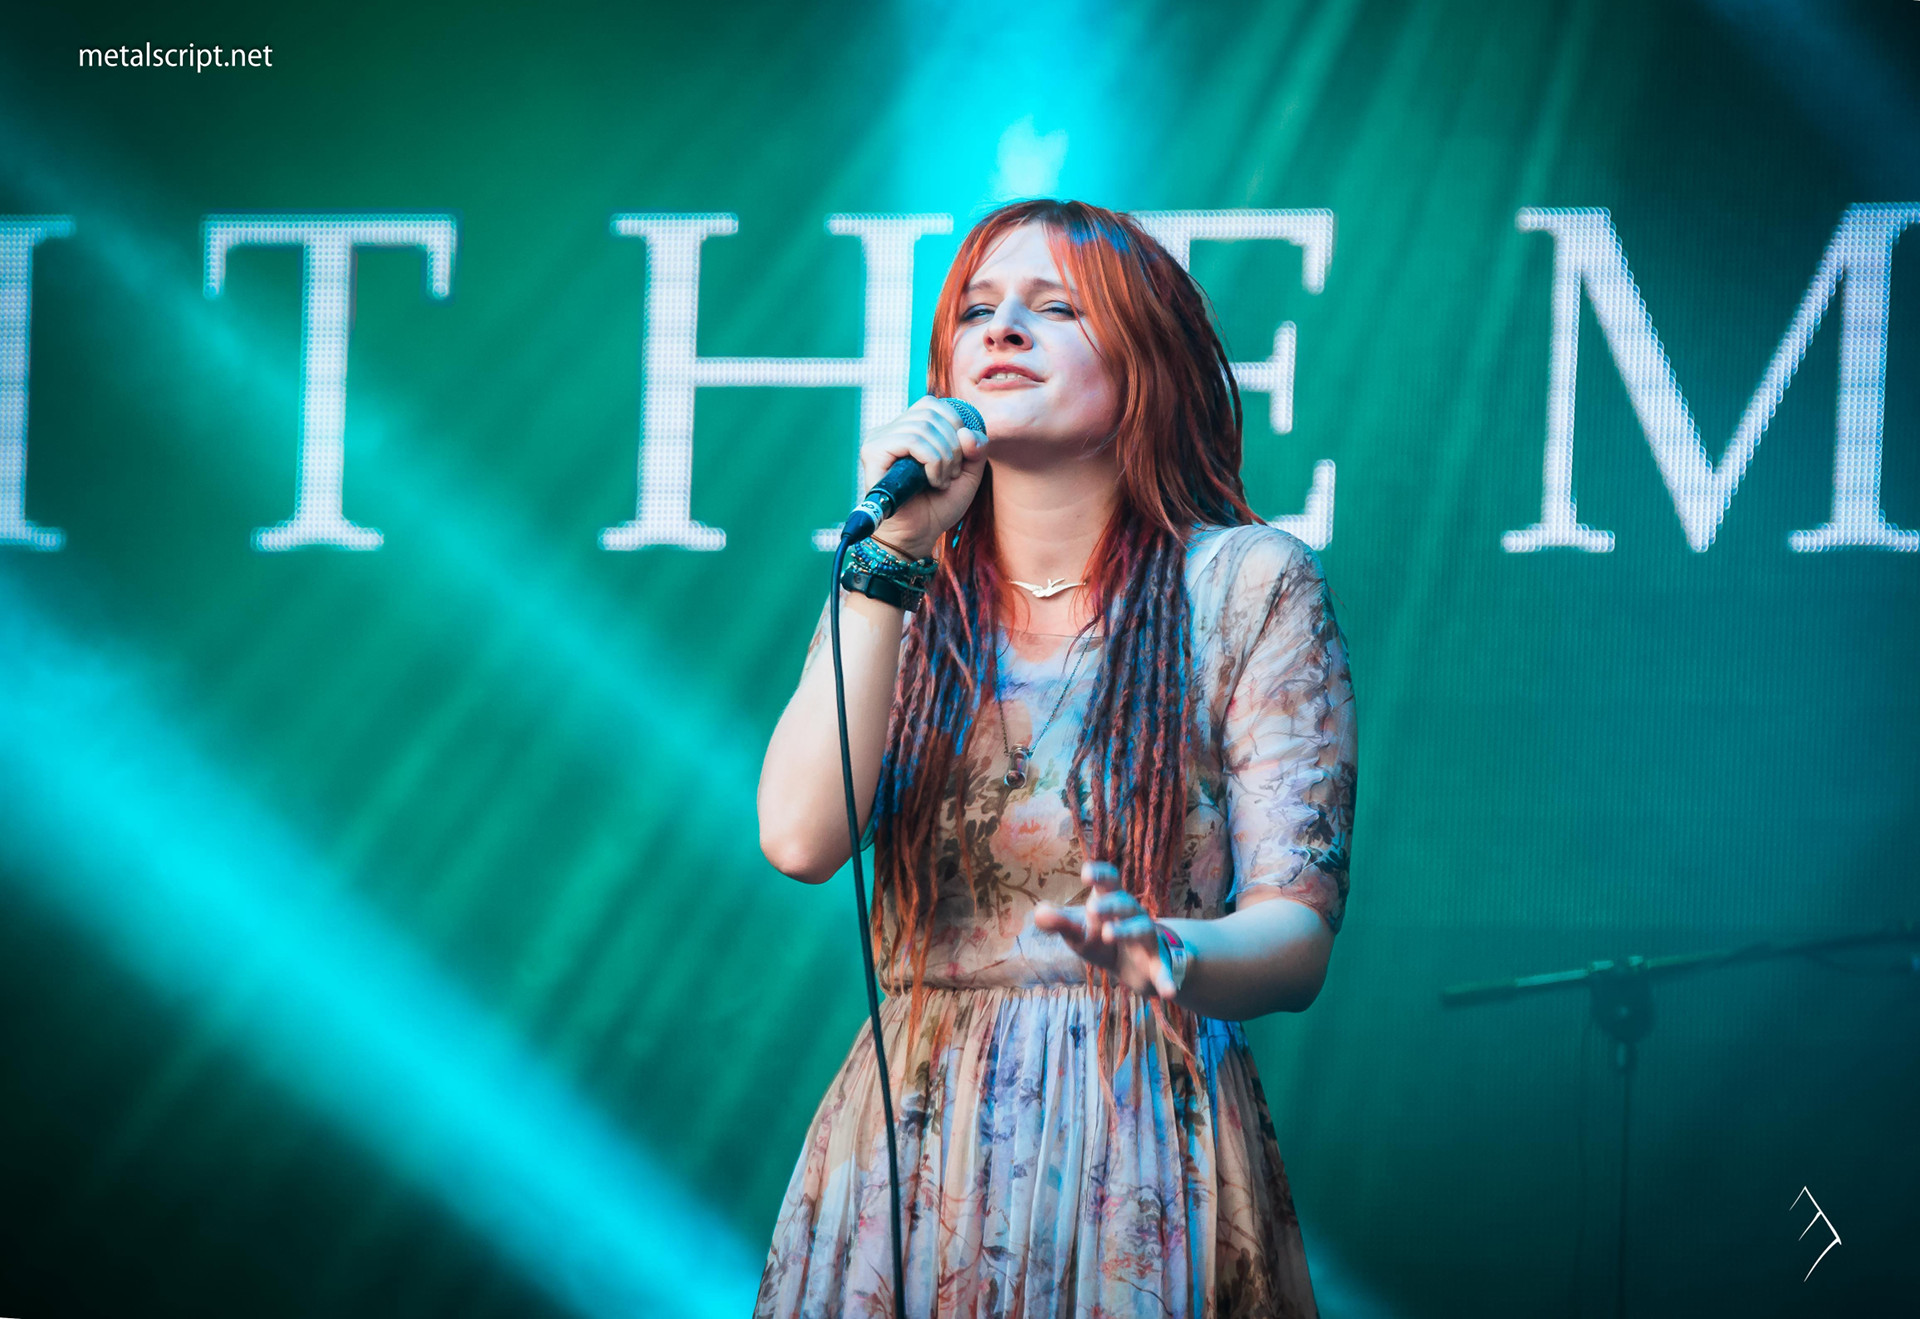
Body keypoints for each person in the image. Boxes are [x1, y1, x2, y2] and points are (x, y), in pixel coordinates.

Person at [754, 198, 1357, 1318]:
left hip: (1138, 1129)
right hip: (918, 1146)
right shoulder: (904, 591)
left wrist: (1165, 949)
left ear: (1146, 360)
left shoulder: (1247, 582)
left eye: (1055, 307)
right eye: (978, 310)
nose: (1003, 329)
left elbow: (1298, 934)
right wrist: (889, 561)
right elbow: (799, 836)